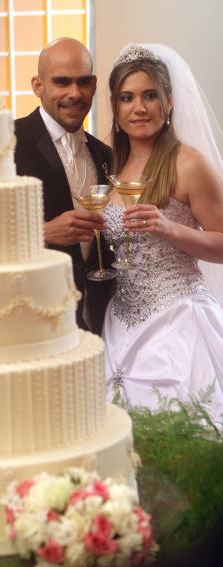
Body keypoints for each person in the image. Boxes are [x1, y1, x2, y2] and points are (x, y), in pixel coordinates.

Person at [103, 43, 223, 421]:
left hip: (178, 323)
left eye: (150, 95)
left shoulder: (189, 163)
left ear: (168, 102)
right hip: (119, 321)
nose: (139, 107)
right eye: (127, 97)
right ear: (115, 107)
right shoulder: (109, 165)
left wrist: (170, 229)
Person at [14, 38, 113, 335]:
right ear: (38, 86)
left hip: (95, 319)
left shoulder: (105, 155)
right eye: (61, 82)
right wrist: (42, 232)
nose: (75, 93)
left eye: (83, 82)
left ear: (94, 85)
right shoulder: (8, 143)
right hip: (28, 316)